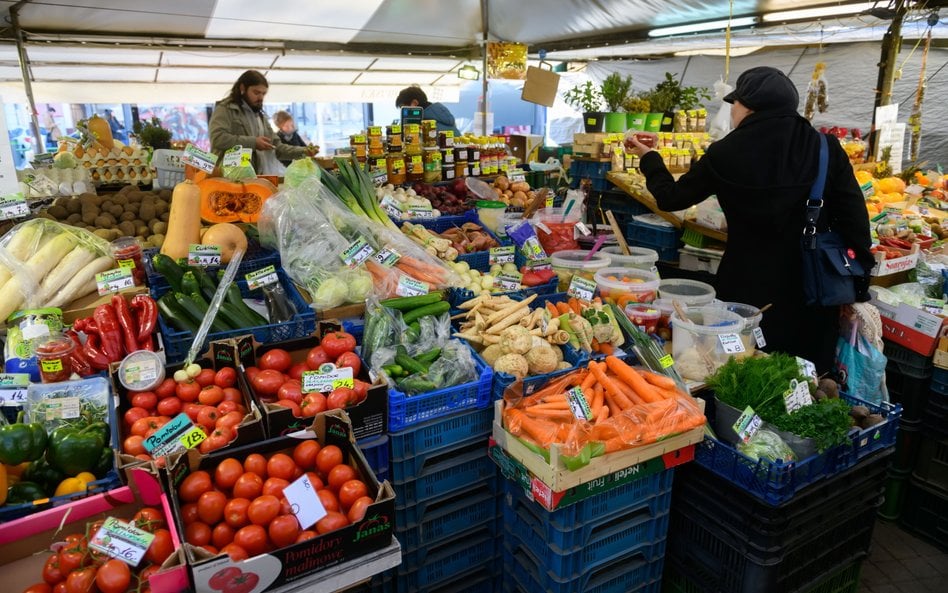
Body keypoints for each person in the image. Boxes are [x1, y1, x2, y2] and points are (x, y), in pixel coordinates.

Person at [625, 66, 873, 375]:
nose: (732, 110)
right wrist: (859, 288)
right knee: (808, 379)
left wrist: (650, 158)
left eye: (735, 103)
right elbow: (855, 222)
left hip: (744, 290)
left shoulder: (725, 153)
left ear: (750, 106)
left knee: (740, 371)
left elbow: (671, 198)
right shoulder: (825, 148)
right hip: (813, 290)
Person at [209, 70, 314, 175]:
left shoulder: (260, 116)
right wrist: (254, 142)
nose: (260, 98)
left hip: (255, 177)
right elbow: (217, 138)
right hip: (228, 177)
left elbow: (277, 147)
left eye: (263, 94)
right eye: (256, 92)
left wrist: (304, 151)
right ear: (242, 88)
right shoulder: (225, 109)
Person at [396, 86, 460, 135]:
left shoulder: (423, 126)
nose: (403, 113)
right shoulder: (445, 117)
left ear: (414, 103)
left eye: (403, 109)